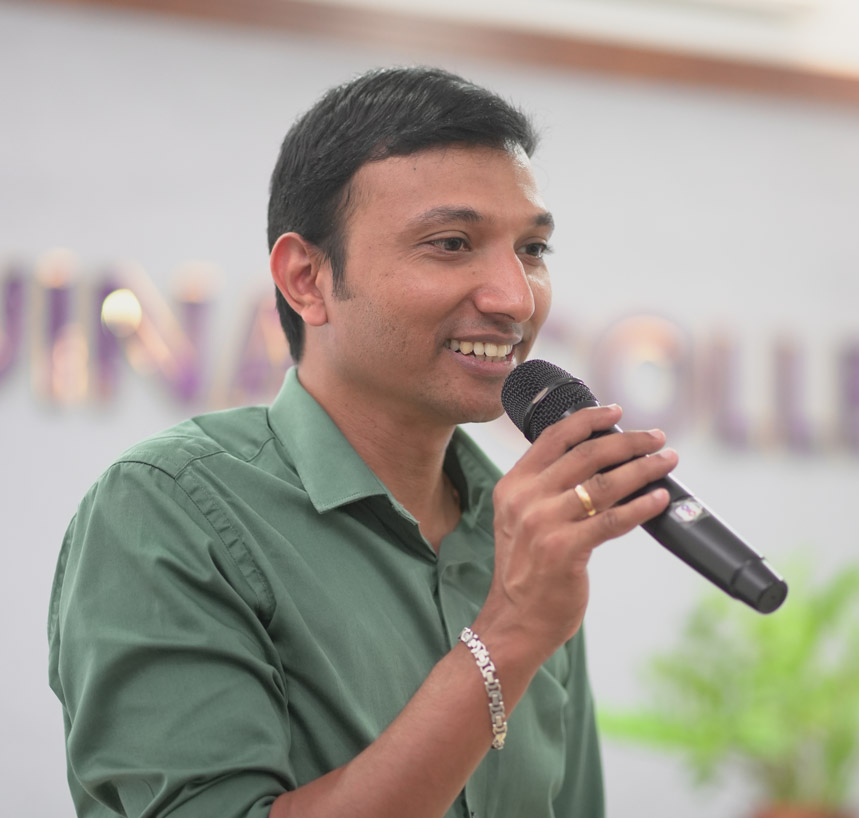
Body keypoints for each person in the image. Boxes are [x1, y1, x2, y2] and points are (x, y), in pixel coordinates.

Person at [48, 66, 678, 818]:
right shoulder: (166, 508)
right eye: (451, 243)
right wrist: (508, 633)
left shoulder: (518, 536)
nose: (515, 298)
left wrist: (521, 614)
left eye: (533, 249)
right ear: (306, 279)